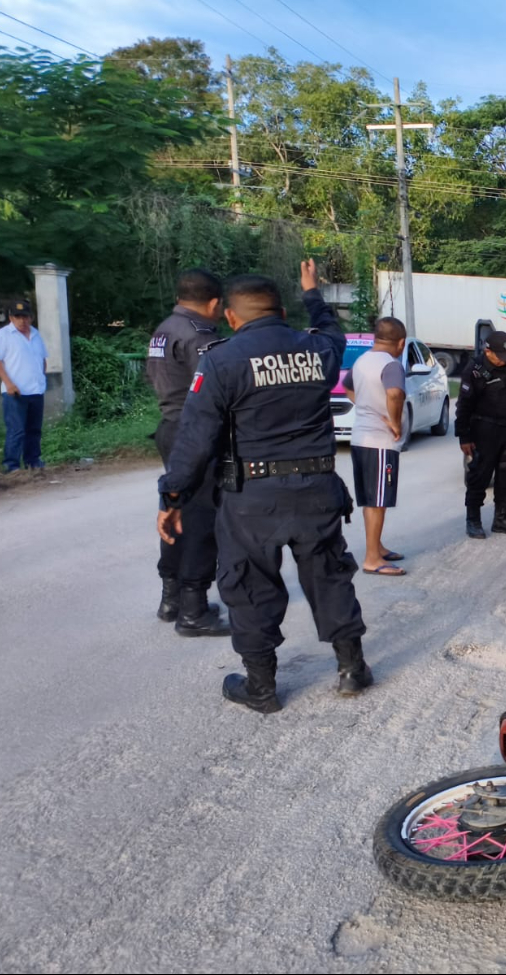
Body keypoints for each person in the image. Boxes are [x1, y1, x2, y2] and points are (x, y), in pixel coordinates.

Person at [157, 261, 371, 714]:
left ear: (231, 317)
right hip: (317, 489)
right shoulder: (318, 351)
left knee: (250, 585)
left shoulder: (221, 359)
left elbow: (195, 439)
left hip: (252, 498)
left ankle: (262, 688)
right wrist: (312, 292)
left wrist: (172, 495)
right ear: (281, 310)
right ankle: (352, 669)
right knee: (329, 576)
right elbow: (331, 328)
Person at [146, 269, 232, 636]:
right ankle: (194, 608)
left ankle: (172, 599)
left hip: (169, 426)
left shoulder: (163, 329)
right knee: (201, 518)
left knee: (176, 510)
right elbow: (214, 388)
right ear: (214, 303)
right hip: (195, 431)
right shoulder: (200, 336)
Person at [344, 316, 408, 577]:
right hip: (380, 442)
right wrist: (394, 422)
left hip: (360, 437)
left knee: (373, 499)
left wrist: (367, 407)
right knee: (377, 500)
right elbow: (395, 394)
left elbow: (348, 388)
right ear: (401, 342)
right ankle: (372, 558)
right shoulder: (391, 365)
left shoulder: (362, 361)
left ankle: (377, 546)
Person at [455, 330, 506, 539]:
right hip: (484, 431)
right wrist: (464, 436)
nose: (505, 361)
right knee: (479, 476)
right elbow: (463, 406)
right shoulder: (474, 370)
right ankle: (473, 520)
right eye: (501, 356)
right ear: (487, 351)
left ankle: (501, 519)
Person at [0, 299, 47, 472]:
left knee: (34, 430)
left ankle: (33, 461)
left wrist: (41, 378)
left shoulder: (36, 334)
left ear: (31, 317)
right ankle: (11, 466)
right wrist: (8, 383)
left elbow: (42, 360)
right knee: (16, 431)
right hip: (15, 392)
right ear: (11, 318)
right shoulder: (3, 335)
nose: (22, 320)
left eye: (25, 316)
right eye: (18, 317)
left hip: (36, 390)